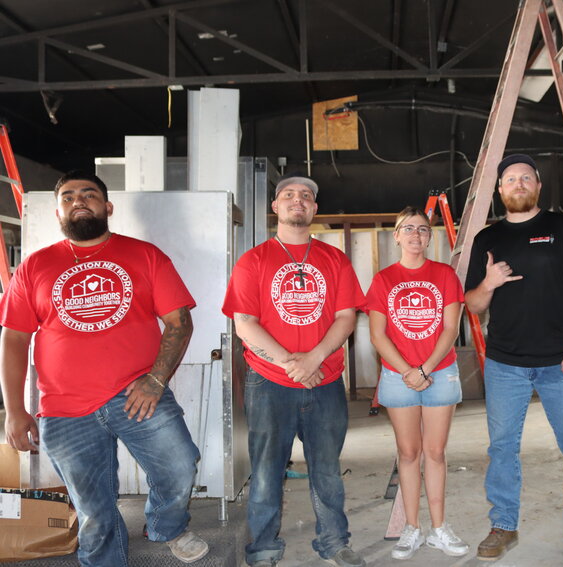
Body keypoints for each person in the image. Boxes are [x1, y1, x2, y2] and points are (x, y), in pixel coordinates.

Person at [0, 171, 208, 567]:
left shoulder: (145, 255)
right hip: (64, 408)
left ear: (107, 207)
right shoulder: (34, 267)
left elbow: (179, 322)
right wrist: (14, 409)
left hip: (138, 393)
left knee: (180, 466)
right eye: (68, 196)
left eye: (89, 194)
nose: (79, 200)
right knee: (93, 508)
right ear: (58, 210)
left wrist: (155, 380)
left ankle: (166, 526)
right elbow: (13, 339)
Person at [464, 154, 563, 566]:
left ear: (538, 187)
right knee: (502, 449)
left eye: (526, 177)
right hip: (505, 363)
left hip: (560, 362)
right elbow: (473, 304)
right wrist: (489, 283)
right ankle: (503, 525)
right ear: (500, 190)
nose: (519, 183)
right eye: (511, 179)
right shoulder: (487, 240)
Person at [222, 174, 366, 567]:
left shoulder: (334, 259)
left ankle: (335, 542)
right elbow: (245, 322)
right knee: (267, 472)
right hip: (269, 384)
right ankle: (263, 548)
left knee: (328, 471)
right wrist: (293, 363)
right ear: (276, 207)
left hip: (326, 381)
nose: (297, 200)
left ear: (315, 209)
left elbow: (346, 317)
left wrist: (314, 358)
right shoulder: (254, 260)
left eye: (306, 196)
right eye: (288, 195)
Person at [366, 207, 468, 561]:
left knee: (435, 453)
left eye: (422, 230)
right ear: (396, 236)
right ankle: (412, 528)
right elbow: (377, 335)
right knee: (408, 454)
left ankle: (439, 528)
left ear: (430, 237)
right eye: (407, 229)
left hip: (439, 372)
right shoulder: (383, 280)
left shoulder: (445, 276)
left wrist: (424, 369)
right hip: (398, 376)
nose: (415, 235)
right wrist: (408, 371)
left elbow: (451, 329)